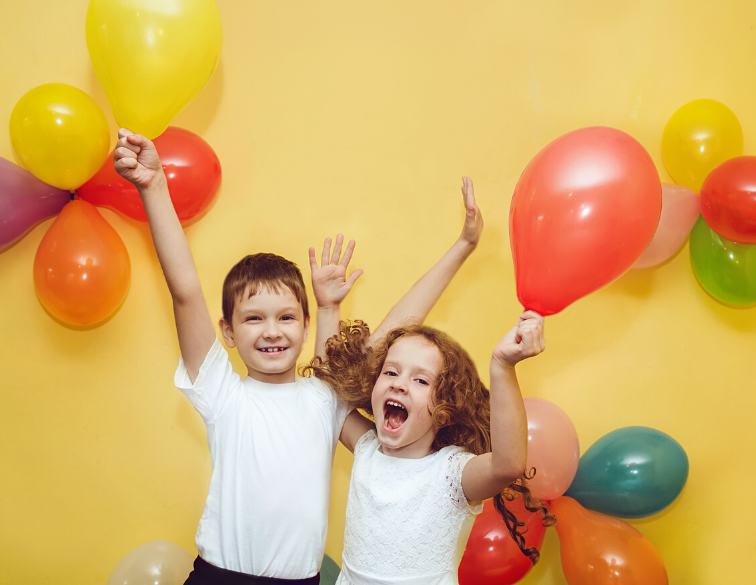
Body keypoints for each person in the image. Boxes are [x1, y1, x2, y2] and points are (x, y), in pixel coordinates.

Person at [113, 128, 484, 584]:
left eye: (287, 317)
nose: (272, 331)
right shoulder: (222, 392)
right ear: (227, 332)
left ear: (306, 327)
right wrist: (152, 187)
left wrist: (462, 247)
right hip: (221, 576)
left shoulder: (323, 399)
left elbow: (399, 335)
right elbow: (185, 291)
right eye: (253, 319)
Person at [305, 315, 554, 585]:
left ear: (444, 411)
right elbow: (328, 395)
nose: (399, 384)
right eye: (390, 372)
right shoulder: (367, 446)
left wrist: (502, 366)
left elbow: (507, 466)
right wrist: (328, 307)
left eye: (421, 381)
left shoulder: (451, 472)